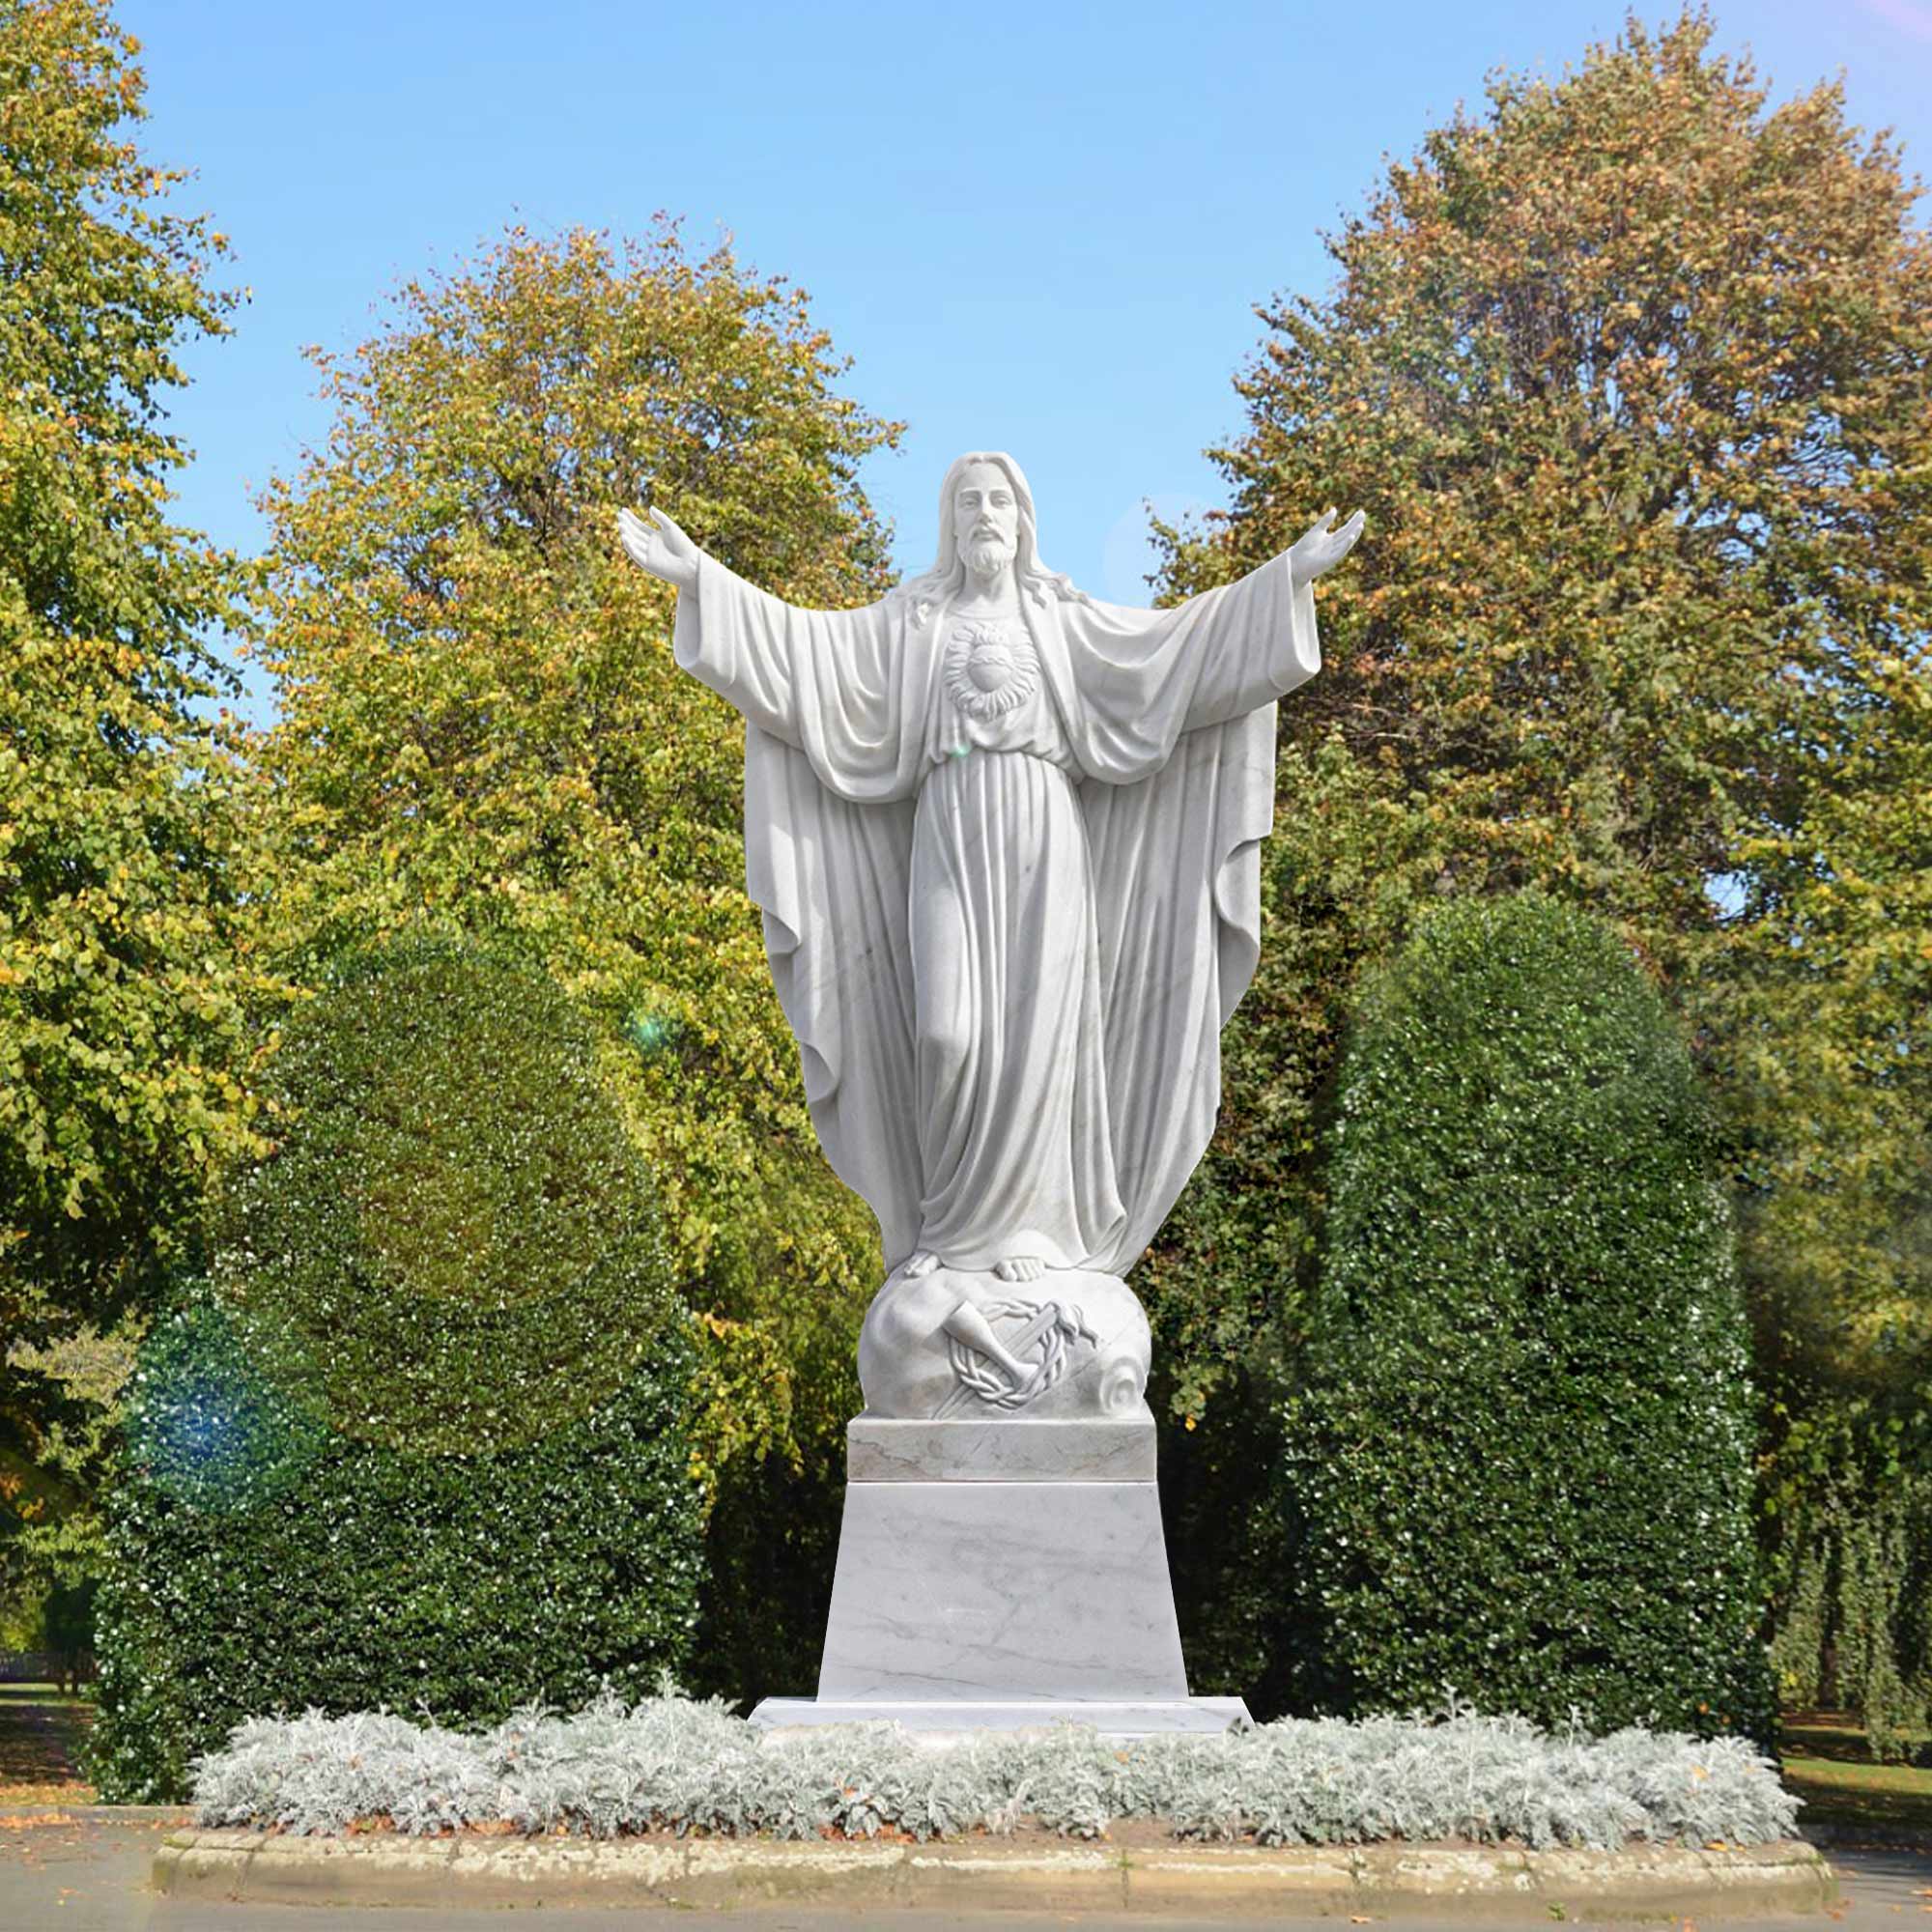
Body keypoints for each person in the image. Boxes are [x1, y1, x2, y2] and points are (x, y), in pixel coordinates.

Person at [619, 452, 1361, 1293]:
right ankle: (947, 1226)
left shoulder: (1062, 616)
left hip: (1043, 834)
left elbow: (1175, 651)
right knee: (948, 1032)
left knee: (1037, 1036)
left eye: (998, 500)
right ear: (950, 521)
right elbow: (805, 651)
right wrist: (704, 583)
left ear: (1022, 518)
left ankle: (1032, 1229)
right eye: (967, 501)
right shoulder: (914, 620)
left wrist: (1282, 581)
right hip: (948, 828)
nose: (984, 514)